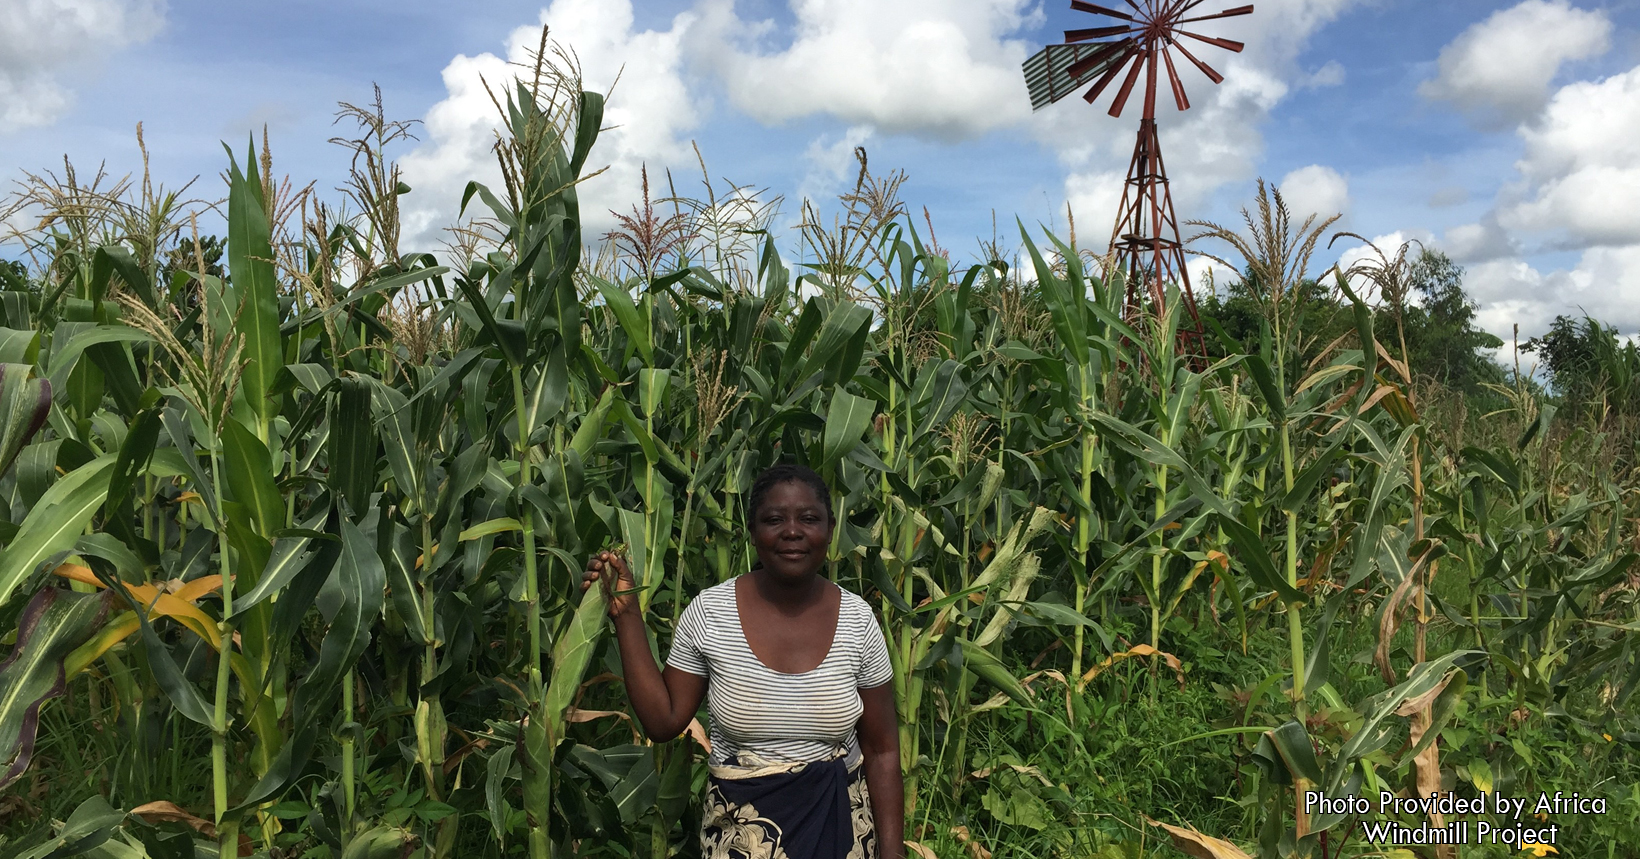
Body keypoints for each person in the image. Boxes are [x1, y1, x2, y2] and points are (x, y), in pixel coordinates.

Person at [582, 463, 904, 859]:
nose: (792, 531)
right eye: (774, 519)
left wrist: (893, 854)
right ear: (752, 532)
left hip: (841, 832)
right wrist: (627, 615)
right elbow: (663, 721)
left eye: (808, 518)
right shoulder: (711, 613)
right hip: (740, 836)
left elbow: (883, 750)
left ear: (830, 528)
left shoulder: (857, 620)